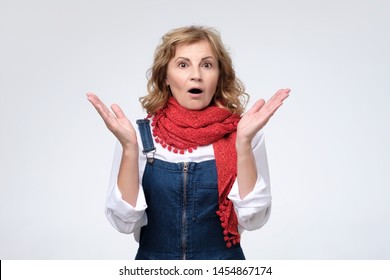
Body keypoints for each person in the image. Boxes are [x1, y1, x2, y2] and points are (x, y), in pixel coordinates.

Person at [87, 25, 290, 260]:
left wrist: (243, 144)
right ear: (165, 77)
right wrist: (130, 149)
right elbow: (124, 222)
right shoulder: (138, 135)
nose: (197, 75)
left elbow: (253, 220)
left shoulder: (245, 133)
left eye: (207, 64)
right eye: (183, 65)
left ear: (219, 75)